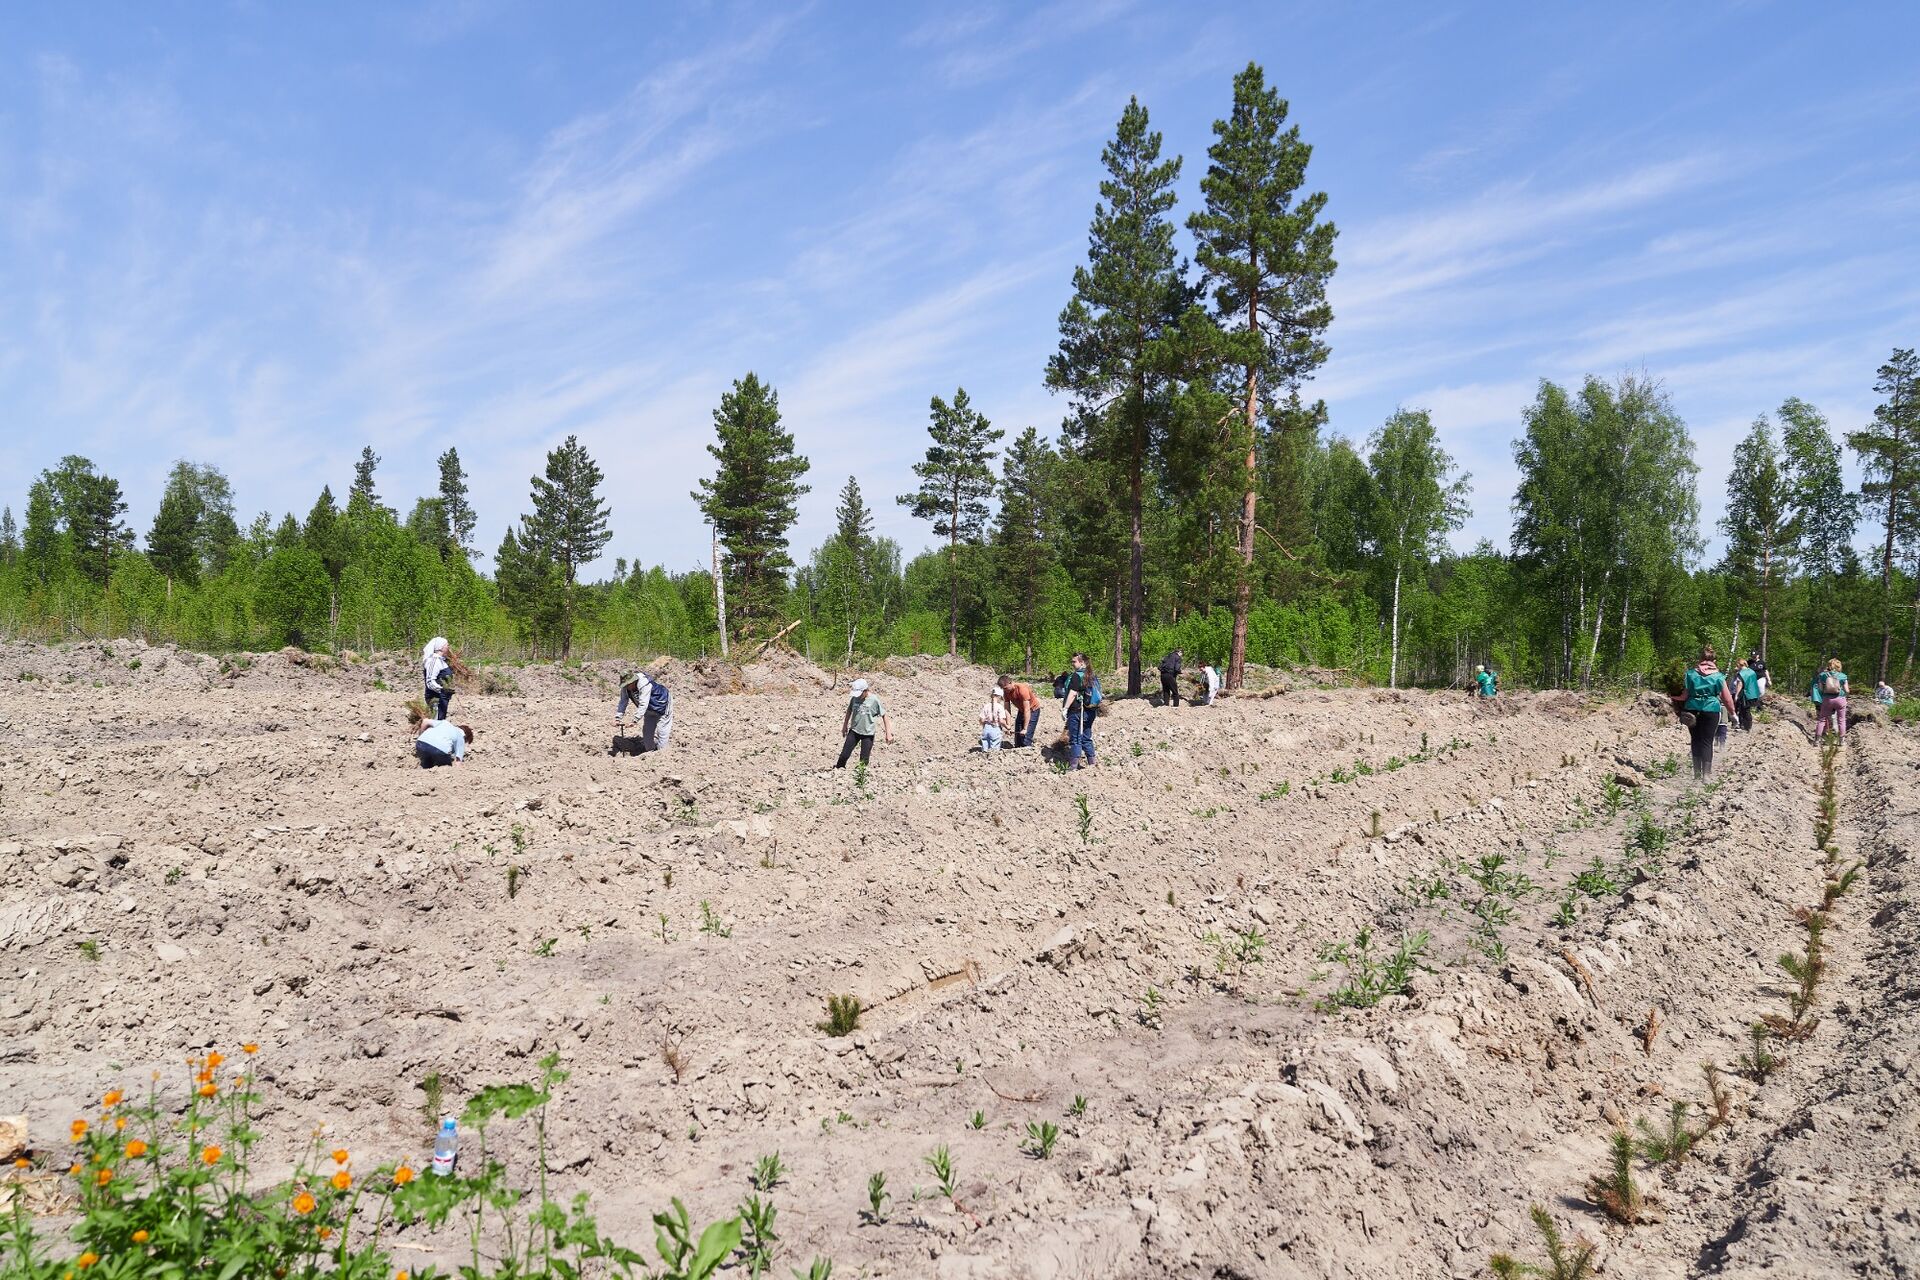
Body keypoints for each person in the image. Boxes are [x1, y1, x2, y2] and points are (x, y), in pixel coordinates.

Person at [1679, 645, 1737, 779]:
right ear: (1714, 661)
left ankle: (1697, 775)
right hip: (1711, 710)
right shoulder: (1718, 676)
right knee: (1707, 741)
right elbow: (1727, 698)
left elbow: (1684, 696)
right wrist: (1732, 713)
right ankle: (1706, 775)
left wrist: (1672, 696)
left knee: (1695, 740)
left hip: (1692, 709)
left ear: (1700, 659)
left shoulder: (1690, 674)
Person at [836, 677, 893, 768]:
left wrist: (888, 734)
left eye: (860, 693)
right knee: (844, 755)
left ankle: (859, 777)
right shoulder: (854, 698)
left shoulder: (874, 700)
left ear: (865, 690)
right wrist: (844, 726)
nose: (858, 696)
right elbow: (849, 711)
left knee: (864, 760)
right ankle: (838, 772)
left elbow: (884, 716)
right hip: (854, 731)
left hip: (868, 734)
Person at [613, 671, 673, 753]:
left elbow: (643, 703)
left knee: (662, 732)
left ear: (633, 681)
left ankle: (663, 754)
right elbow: (623, 701)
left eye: (628, 684)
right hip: (649, 709)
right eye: (625, 685)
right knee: (647, 734)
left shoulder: (644, 684)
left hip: (662, 703)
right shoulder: (626, 688)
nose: (627, 687)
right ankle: (650, 754)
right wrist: (618, 718)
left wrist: (635, 720)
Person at [1062, 652, 1098, 769]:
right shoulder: (1091, 675)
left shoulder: (1077, 676)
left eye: (1074, 661)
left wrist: (1065, 708)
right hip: (1090, 711)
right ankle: (1092, 763)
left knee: (1076, 738)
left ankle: (1073, 766)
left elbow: (1072, 693)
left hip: (1077, 711)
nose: (1072, 663)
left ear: (1081, 662)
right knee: (1086, 737)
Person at [421, 637, 470, 721]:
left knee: (440, 721)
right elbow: (430, 682)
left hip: (441, 698)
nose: (448, 647)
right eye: (447, 645)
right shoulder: (434, 661)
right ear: (441, 648)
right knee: (435, 724)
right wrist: (443, 691)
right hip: (435, 699)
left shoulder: (441, 661)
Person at [1812, 658, 1850, 742]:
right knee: (1841, 720)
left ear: (1829, 665)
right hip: (1840, 699)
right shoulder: (1843, 676)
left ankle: (1817, 740)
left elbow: (1821, 689)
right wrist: (1844, 695)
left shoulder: (1823, 675)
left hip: (1827, 699)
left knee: (1822, 719)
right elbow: (1847, 690)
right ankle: (1841, 741)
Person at [999, 675, 1042, 747]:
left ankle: (1027, 750)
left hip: (1033, 710)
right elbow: (1007, 709)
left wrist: (1025, 728)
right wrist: (1008, 726)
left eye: (1006, 688)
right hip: (1022, 710)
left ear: (1010, 683)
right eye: (1003, 689)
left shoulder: (1022, 689)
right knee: (1018, 739)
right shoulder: (1006, 692)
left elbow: (1027, 709)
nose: (1005, 690)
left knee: (1026, 737)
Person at [1732, 657, 1762, 733]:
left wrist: (1736, 695)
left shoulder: (1741, 673)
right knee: (1747, 710)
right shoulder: (1752, 672)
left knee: (1743, 710)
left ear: (1739, 665)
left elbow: (1740, 684)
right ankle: (1747, 726)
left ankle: (1745, 726)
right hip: (1753, 693)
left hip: (1745, 694)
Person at [979, 685, 1010, 752]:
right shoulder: (1000, 707)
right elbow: (1001, 721)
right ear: (999, 697)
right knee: (994, 750)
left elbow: (981, 720)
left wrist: (985, 725)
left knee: (985, 748)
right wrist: (1007, 726)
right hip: (995, 728)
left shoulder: (986, 706)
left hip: (986, 729)